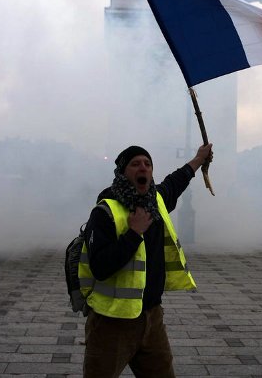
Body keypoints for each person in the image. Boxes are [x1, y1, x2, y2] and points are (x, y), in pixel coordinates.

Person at [80, 143, 212, 378]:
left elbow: (176, 180)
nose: (143, 167)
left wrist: (198, 160)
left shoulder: (157, 200)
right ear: (123, 172)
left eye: (148, 164)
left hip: (152, 316)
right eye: (135, 163)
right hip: (111, 322)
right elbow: (100, 267)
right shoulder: (105, 211)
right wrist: (133, 234)